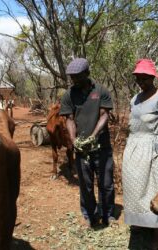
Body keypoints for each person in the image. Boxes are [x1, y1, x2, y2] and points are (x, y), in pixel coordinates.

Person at [122, 59, 158, 249]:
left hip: (154, 150)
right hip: (134, 151)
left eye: (145, 78)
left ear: (152, 77)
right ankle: (141, 226)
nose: (141, 82)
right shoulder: (134, 99)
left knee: (157, 190)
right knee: (135, 190)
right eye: (138, 78)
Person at [59, 58, 115, 228]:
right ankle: (89, 215)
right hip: (82, 150)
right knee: (86, 185)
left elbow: (104, 114)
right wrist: (74, 139)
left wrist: (93, 136)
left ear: (87, 74)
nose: (74, 80)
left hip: (102, 147)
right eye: (72, 77)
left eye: (77, 76)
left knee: (106, 184)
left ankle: (108, 215)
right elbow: (69, 118)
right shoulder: (69, 94)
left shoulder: (101, 91)